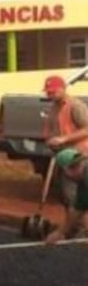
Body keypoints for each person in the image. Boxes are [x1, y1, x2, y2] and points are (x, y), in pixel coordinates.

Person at [43, 75, 88, 206]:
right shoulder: (53, 108)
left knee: (78, 197)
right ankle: (76, 225)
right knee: (67, 197)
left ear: (63, 89)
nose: (49, 94)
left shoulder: (76, 106)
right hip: (64, 156)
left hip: (80, 155)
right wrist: (50, 140)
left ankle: (79, 225)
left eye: (52, 91)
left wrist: (64, 139)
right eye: (48, 92)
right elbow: (50, 130)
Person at [45, 148, 88, 244]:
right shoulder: (82, 186)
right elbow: (77, 211)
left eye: (77, 166)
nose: (78, 169)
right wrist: (59, 233)